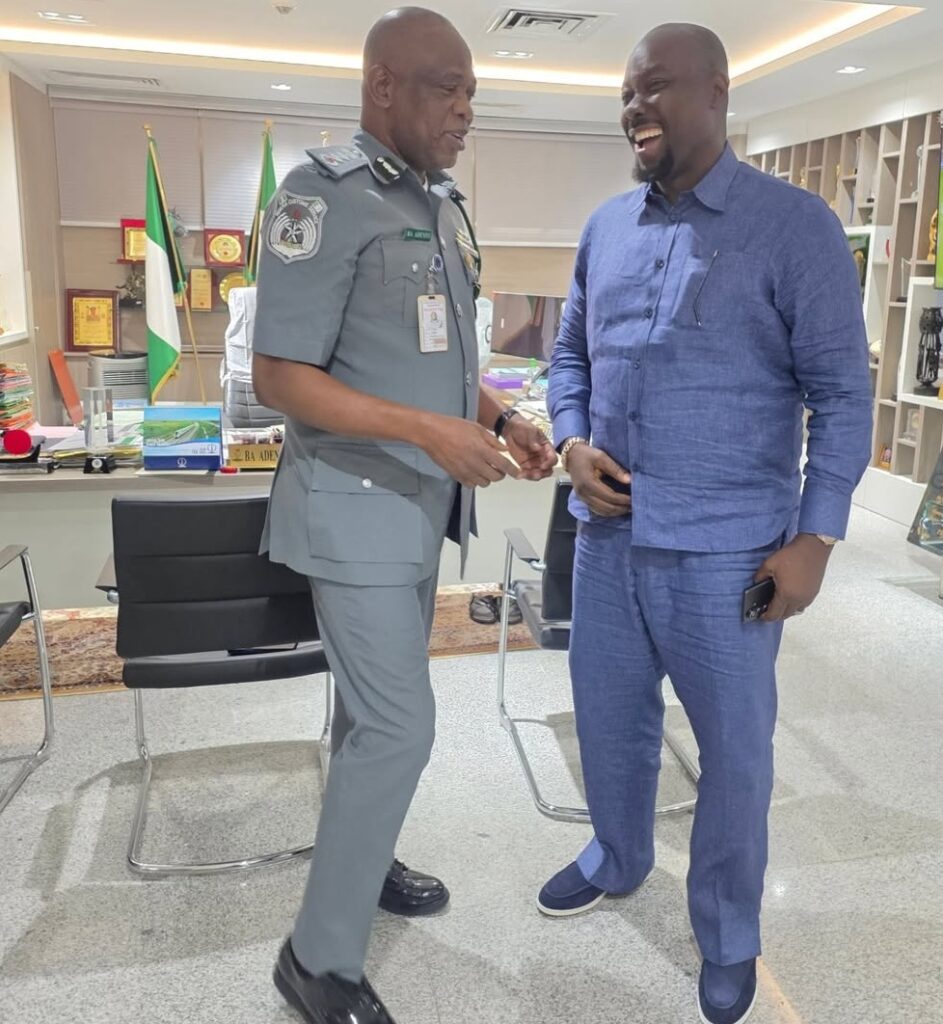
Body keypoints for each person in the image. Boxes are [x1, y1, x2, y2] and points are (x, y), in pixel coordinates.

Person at [543, 22, 872, 1024]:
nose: (633, 109)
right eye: (625, 94)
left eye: (653, 88)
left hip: (730, 554)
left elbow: (842, 394)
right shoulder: (604, 228)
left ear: (717, 93)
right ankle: (617, 853)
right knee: (607, 722)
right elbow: (569, 355)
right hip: (606, 542)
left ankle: (728, 933)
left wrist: (815, 537)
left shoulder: (794, 226)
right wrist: (569, 441)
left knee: (733, 757)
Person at [252, 8, 556, 1023]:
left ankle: (363, 853)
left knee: (364, 715)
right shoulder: (319, 196)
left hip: (418, 512)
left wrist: (501, 416)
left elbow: (439, 356)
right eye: (445, 89)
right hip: (352, 508)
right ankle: (317, 959)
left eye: (471, 92)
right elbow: (280, 376)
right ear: (382, 86)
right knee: (400, 724)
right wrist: (429, 433)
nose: (465, 110)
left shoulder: (436, 203)